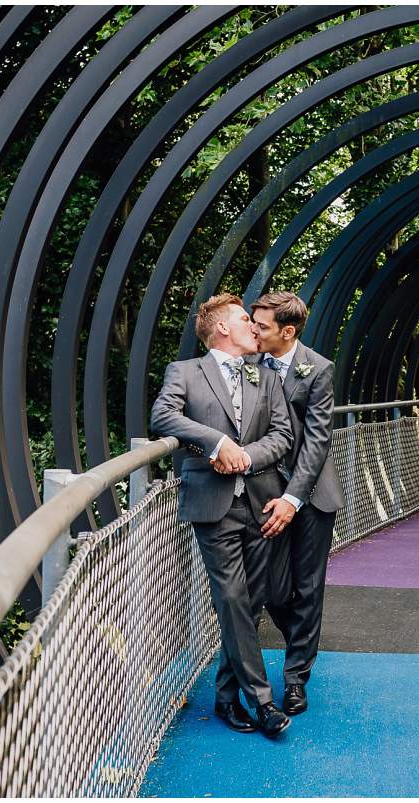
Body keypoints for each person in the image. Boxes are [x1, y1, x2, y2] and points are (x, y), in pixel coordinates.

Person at [150, 293, 294, 738]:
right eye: (245, 320)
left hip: (261, 501)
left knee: (251, 603)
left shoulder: (265, 375)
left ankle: (227, 698)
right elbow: (162, 415)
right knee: (232, 597)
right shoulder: (186, 372)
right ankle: (264, 702)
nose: (255, 327)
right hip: (213, 505)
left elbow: (283, 433)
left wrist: (244, 457)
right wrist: (215, 443)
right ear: (222, 329)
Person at [251, 291, 344, 716]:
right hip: (263, 492)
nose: (253, 330)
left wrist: (293, 498)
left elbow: (318, 441)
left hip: (310, 495)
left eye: (262, 325)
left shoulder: (318, 369)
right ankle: (303, 643)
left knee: (308, 587)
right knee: (270, 586)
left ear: (287, 332)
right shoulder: (248, 364)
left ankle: (295, 679)